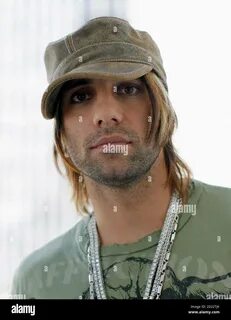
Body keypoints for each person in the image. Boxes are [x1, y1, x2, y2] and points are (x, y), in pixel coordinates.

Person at [11, 16, 231, 300]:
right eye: (80, 97)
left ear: (163, 110)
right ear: (62, 134)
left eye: (128, 89)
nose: (106, 114)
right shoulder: (36, 285)